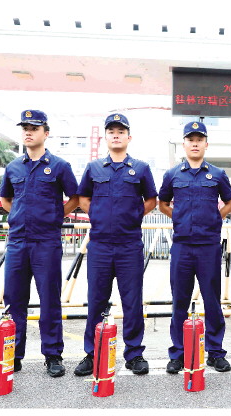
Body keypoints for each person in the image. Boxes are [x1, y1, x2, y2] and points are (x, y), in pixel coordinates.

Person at [0, 109, 79, 378]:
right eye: (25, 128)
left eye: (34, 128)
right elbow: (6, 200)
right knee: (13, 300)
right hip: (17, 241)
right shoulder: (13, 167)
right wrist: (20, 216)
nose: (28, 132)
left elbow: (75, 198)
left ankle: (53, 355)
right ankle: (11, 356)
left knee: (49, 299)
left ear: (46, 133)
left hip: (46, 241)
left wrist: (55, 216)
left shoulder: (60, 166)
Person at [74, 113, 157, 376]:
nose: (116, 135)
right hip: (99, 244)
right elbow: (83, 199)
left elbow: (151, 200)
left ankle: (134, 354)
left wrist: (133, 216)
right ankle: (92, 353)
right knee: (96, 300)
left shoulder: (141, 168)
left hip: (129, 245)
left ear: (129, 137)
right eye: (112, 132)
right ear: (106, 138)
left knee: (132, 301)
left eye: (121, 131)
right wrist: (99, 216)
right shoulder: (93, 168)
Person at [158, 121, 231, 374]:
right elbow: (162, 203)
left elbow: (230, 202)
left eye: (199, 139)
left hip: (208, 246)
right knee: (179, 301)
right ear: (184, 144)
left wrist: (215, 218)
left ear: (206, 144)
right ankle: (178, 353)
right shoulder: (173, 175)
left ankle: (215, 352)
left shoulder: (217, 174)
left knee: (212, 300)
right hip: (182, 246)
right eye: (190, 139)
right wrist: (179, 218)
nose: (195, 143)